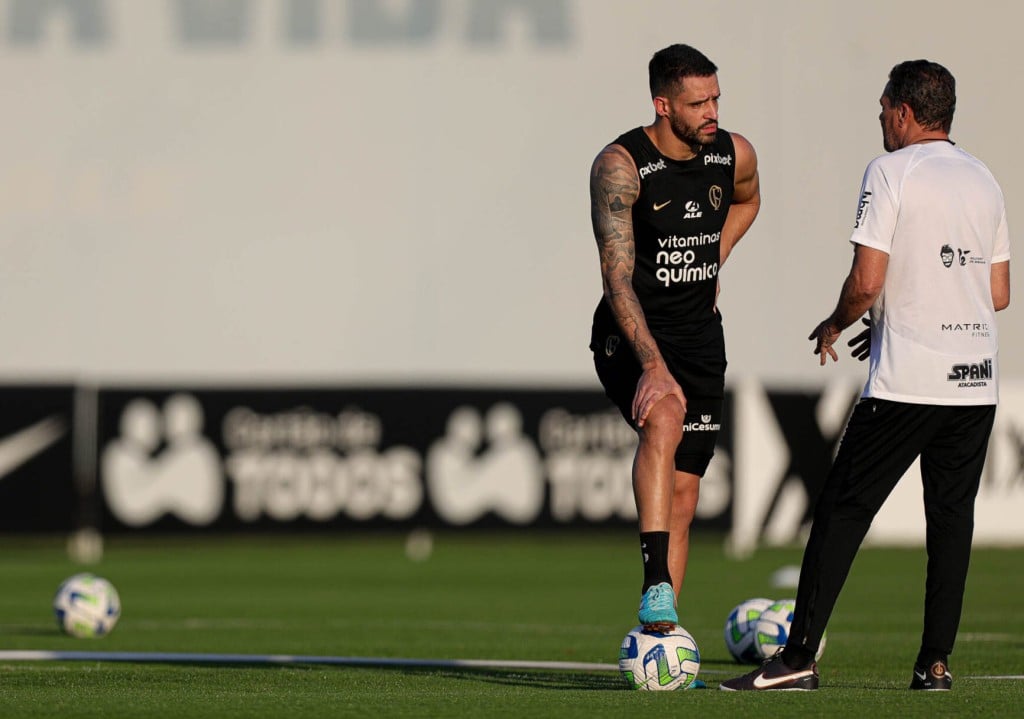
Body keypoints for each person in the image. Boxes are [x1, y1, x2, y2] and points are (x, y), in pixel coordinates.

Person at [720, 59, 1011, 692]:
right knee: (951, 524)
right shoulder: (984, 179)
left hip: (909, 384)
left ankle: (797, 658)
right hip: (976, 383)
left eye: (883, 106)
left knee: (840, 513)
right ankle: (934, 664)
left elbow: (866, 282)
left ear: (905, 111)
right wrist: (905, 311)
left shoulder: (889, 171)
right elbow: (997, 291)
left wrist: (836, 322)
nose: (879, 116)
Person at [588, 44, 760, 631]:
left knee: (684, 499)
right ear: (663, 105)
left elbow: (749, 198)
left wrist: (718, 254)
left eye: (716, 98)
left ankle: (659, 641)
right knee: (663, 415)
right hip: (631, 333)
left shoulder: (733, 153)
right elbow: (616, 279)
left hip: (700, 339)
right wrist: (654, 367)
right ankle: (655, 586)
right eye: (697, 102)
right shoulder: (620, 165)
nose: (712, 111)